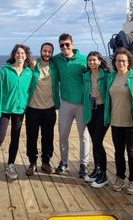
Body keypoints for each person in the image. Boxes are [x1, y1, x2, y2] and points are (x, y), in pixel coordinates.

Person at [105, 48, 133, 195]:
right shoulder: (111, 77)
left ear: (129, 62)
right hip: (116, 122)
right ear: (114, 62)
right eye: (118, 60)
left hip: (131, 124)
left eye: (123, 60)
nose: (120, 63)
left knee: (132, 153)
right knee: (118, 153)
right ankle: (120, 178)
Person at [0, 44, 33, 180]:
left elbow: (30, 91)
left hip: (20, 110)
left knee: (15, 138)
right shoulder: (6, 71)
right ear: (14, 55)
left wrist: (25, 104)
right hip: (5, 109)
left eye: (23, 53)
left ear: (26, 56)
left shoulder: (29, 72)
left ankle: (11, 164)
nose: (20, 55)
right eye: (18, 53)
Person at [52, 33, 90, 177]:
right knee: (63, 135)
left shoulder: (83, 60)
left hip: (82, 104)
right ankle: (64, 162)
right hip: (66, 104)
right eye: (61, 45)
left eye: (67, 44)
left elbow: (95, 74)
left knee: (84, 136)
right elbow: (44, 63)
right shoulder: (57, 59)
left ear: (72, 44)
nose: (65, 47)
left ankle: (83, 165)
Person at [25, 42, 60, 175]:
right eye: (44, 51)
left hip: (49, 109)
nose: (47, 54)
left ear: (52, 53)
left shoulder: (55, 67)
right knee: (32, 137)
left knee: (48, 137)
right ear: (40, 51)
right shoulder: (33, 65)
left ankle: (46, 162)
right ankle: (32, 163)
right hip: (32, 108)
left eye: (49, 52)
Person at [82, 51, 111, 187]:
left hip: (102, 110)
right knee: (95, 141)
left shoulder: (106, 76)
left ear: (100, 61)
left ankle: (104, 174)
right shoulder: (86, 76)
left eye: (94, 60)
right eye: (89, 60)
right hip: (90, 111)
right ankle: (97, 169)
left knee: (98, 141)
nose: (91, 62)